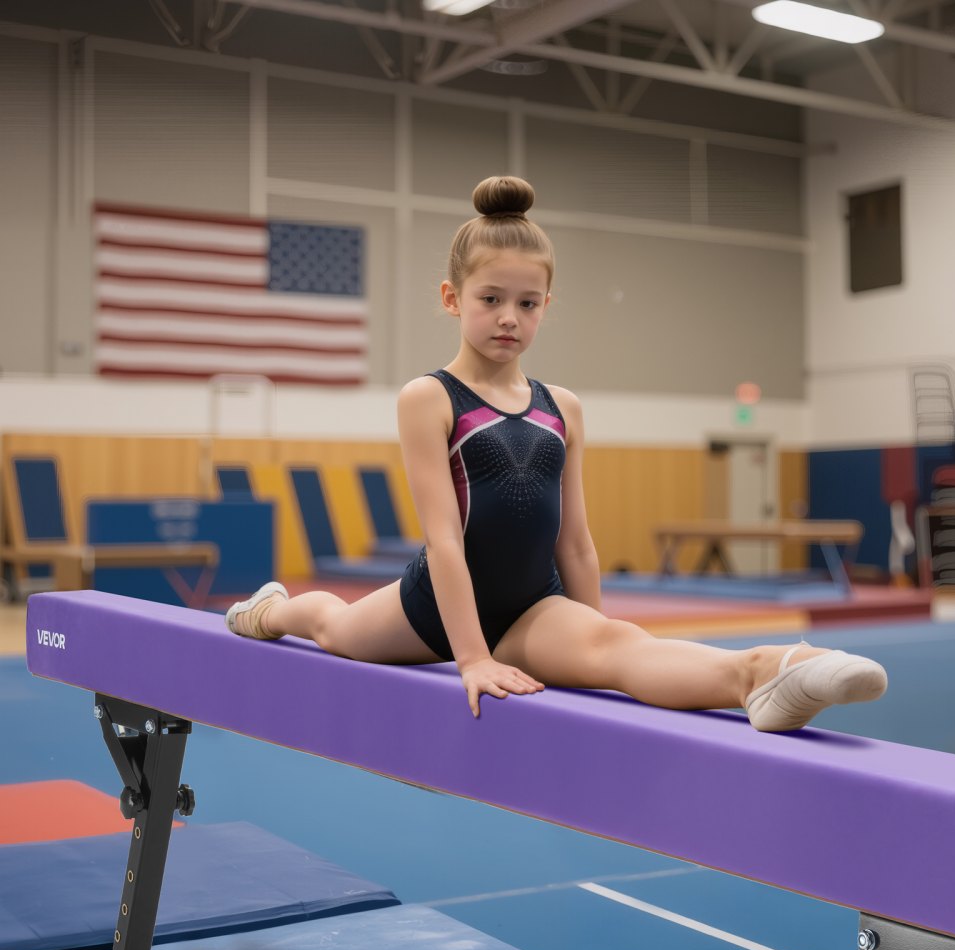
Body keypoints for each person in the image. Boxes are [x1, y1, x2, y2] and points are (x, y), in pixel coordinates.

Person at [227, 175, 887, 731]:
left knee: (622, 646)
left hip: (534, 603)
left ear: (547, 306)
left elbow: (575, 543)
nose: (509, 317)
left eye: (527, 302)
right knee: (334, 629)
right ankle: (272, 607)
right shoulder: (429, 398)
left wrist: (589, 639)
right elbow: (446, 541)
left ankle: (767, 672)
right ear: (452, 300)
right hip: (436, 605)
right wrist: (471, 659)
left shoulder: (561, 407)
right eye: (490, 300)